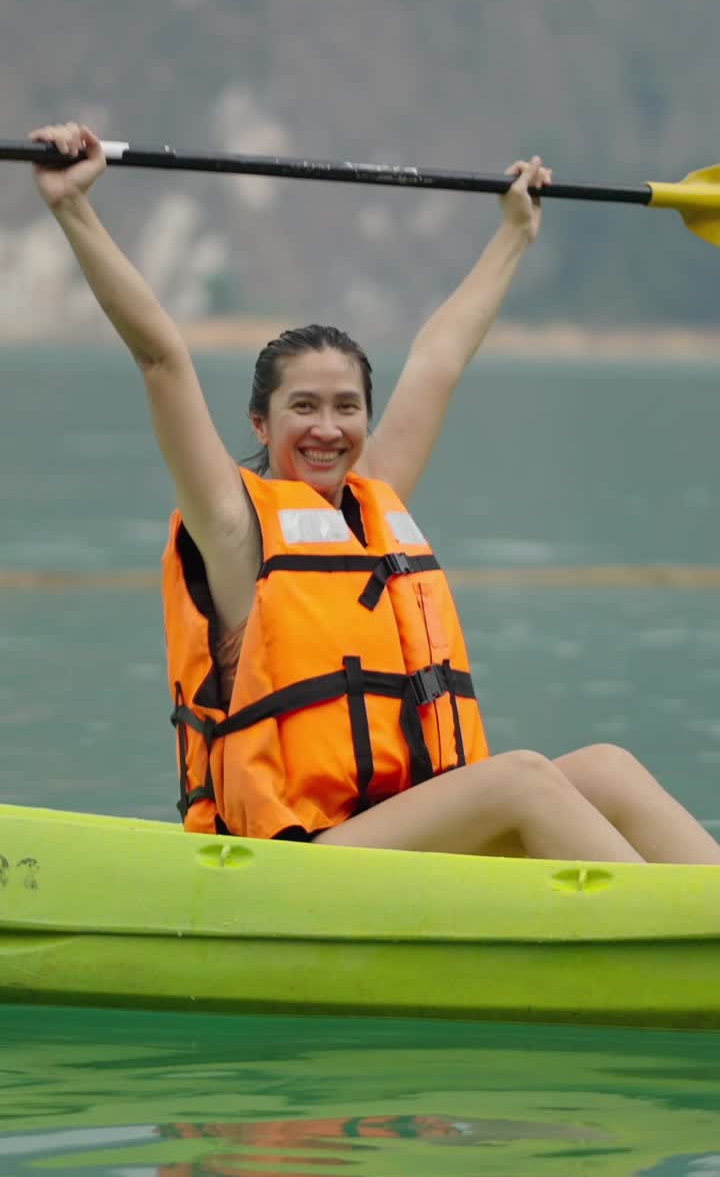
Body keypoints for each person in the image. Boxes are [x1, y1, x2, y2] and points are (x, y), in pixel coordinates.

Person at [31, 121, 720, 866]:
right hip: (304, 856)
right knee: (520, 779)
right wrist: (75, 208)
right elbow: (160, 355)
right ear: (260, 421)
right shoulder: (232, 527)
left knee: (607, 768)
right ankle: (680, 948)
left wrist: (515, 234)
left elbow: (438, 359)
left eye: (346, 407)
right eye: (303, 407)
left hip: (397, 834)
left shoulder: (370, 503)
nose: (328, 429)